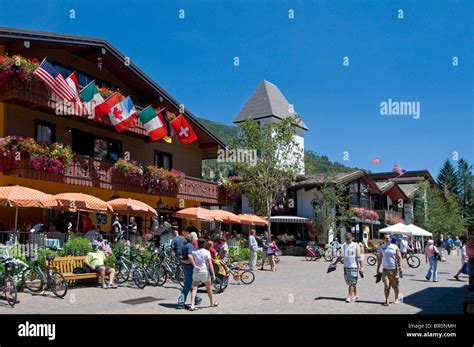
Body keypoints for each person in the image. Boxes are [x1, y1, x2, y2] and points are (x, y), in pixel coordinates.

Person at [332, 232, 364, 303]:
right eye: (346, 239)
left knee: (351, 282)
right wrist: (334, 263)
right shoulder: (343, 245)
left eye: (348, 239)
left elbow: (359, 257)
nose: (347, 240)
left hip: (354, 266)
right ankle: (355, 294)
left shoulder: (356, 245)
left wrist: (361, 267)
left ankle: (349, 296)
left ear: (351, 238)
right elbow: (340, 256)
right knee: (351, 282)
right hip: (346, 267)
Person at [189, 238, 218, 311]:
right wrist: (213, 274)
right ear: (204, 244)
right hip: (204, 271)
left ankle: (192, 305)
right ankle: (212, 302)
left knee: (195, 288)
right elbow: (210, 263)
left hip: (196, 271)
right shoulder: (207, 252)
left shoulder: (194, 252)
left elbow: (191, 260)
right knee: (208, 288)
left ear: (198, 244)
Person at [376, 233, 403, 306]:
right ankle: (386, 301)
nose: (386, 239)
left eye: (387, 238)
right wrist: (378, 268)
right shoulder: (382, 247)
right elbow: (380, 258)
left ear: (390, 239)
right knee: (386, 285)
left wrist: (401, 267)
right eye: (385, 238)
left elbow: (399, 257)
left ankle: (396, 297)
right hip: (385, 270)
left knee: (395, 287)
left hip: (394, 270)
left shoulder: (395, 247)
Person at [177, 235, 202, 309]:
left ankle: (197, 298)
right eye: (194, 239)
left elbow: (181, 257)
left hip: (185, 266)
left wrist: (184, 261)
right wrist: (194, 265)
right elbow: (190, 256)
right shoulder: (190, 246)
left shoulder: (184, 246)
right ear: (192, 240)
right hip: (189, 267)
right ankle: (181, 303)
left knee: (190, 283)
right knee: (187, 285)